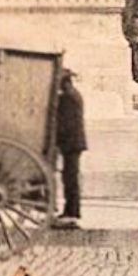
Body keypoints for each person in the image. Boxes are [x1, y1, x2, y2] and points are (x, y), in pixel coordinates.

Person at [54, 70, 87, 229]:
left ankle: (72, 213)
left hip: (72, 143)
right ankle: (70, 211)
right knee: (69, 178)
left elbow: (65, 124)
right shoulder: (73, 95)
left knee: (71, 179)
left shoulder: (69, 97)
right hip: (73, 143)